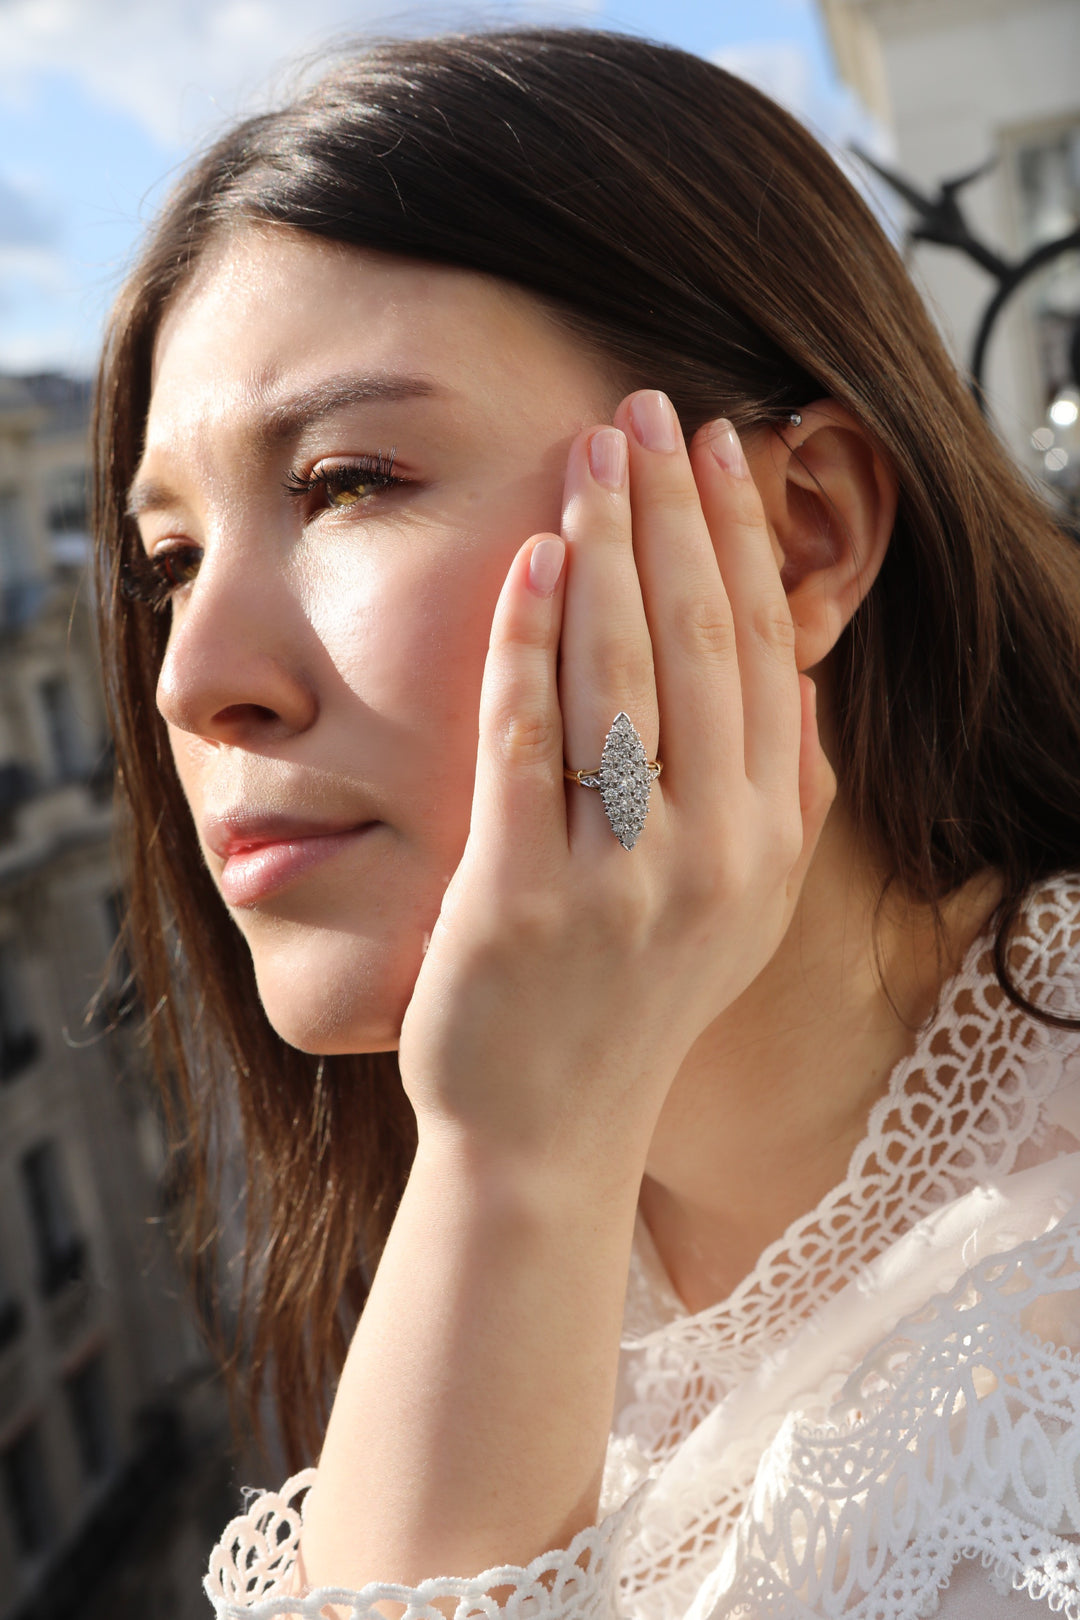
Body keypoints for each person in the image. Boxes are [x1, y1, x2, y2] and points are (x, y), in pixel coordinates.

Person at [92, 28, 1080, 1619]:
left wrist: (517, 1155)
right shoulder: (527, 1276)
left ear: (797, 538)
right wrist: (520, 1162)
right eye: (167, 562)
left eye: (347, 481)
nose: (196, 680)